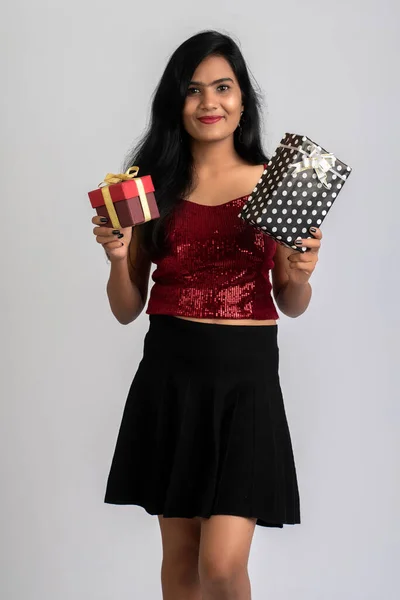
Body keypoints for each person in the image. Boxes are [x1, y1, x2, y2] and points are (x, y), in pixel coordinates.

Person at [92, 30, 321, 600]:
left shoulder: (279, 182)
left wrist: (301, 273)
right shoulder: (151, 188)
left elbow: (289, 302)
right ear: (176, 102)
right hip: (171, 379)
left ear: (244, 98)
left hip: (247, 385)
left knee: (221, 566)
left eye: (223, 87)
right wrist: (118, 259)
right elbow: (127, 309)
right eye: (193, 91)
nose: (209, 103)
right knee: (181, 564)